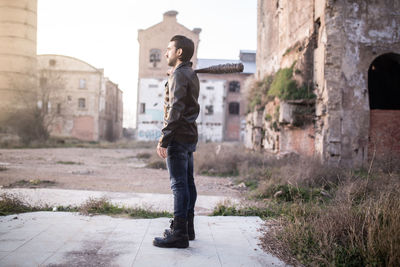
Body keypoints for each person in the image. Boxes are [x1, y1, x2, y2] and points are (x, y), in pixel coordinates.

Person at [153, 35, 200, 249]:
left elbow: (176, 109)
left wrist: (164, 138)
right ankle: (187, 229)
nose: (166, 52)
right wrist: (171, 79)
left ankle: (179, 233)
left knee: (179, 185)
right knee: (187, 183)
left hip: (178, 137)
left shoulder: (180, 76)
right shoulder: (187, 73)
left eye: (169, 48)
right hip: (188, 136)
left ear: (179, 52)